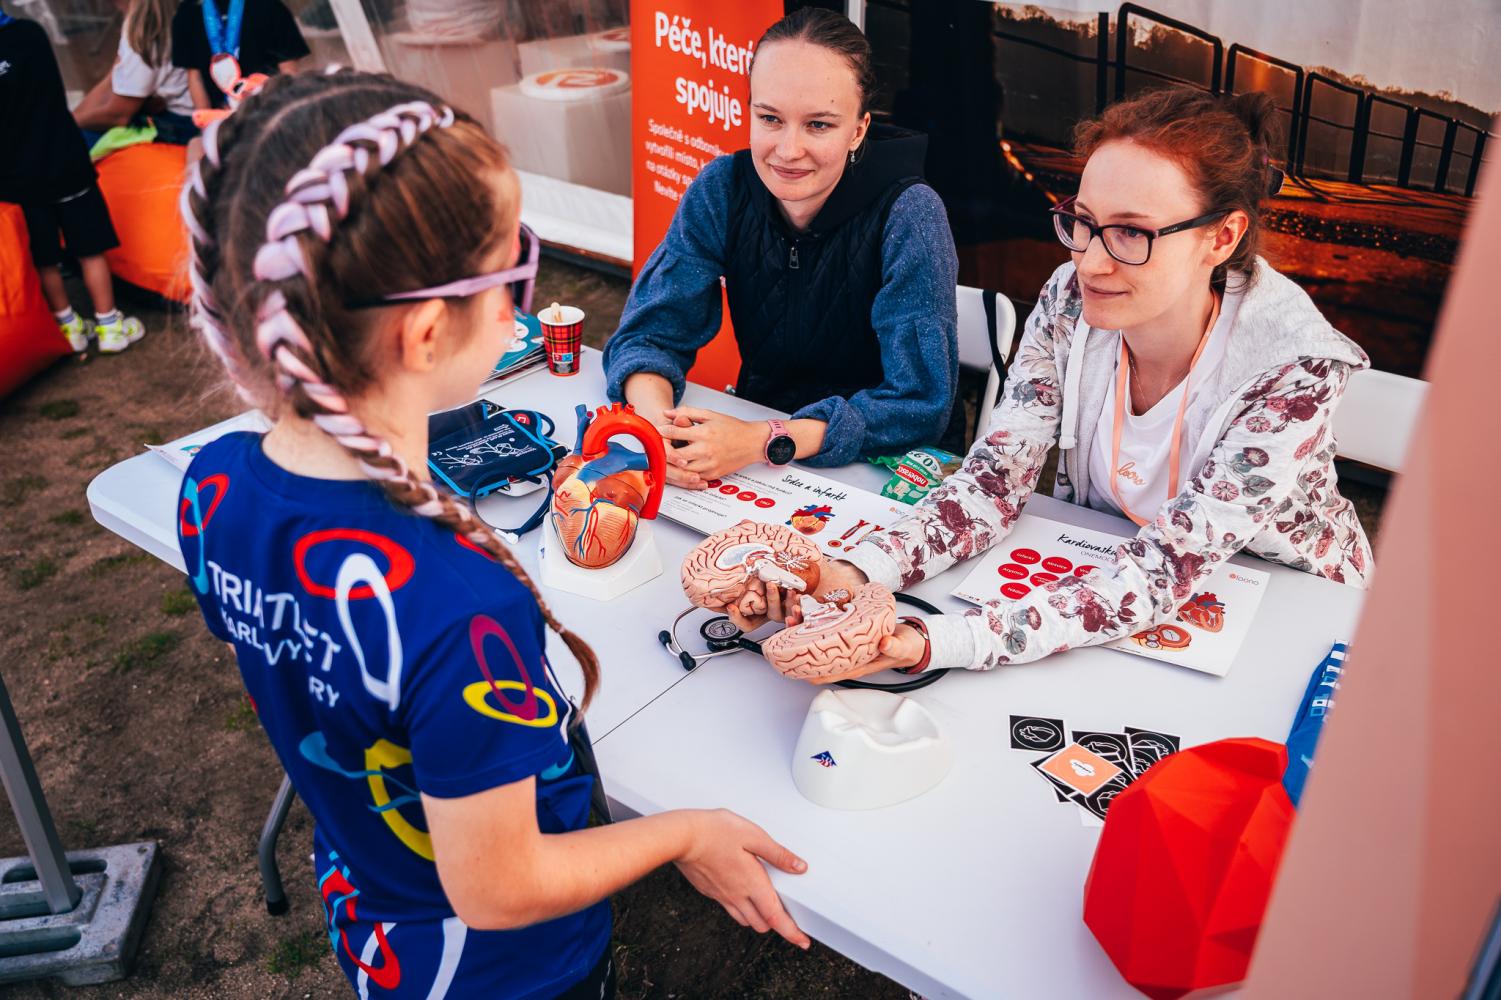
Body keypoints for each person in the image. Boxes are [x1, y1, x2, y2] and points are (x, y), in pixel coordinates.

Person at [174, 70, 810, 998]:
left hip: (372, 918)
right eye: (513, 270)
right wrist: (685, 831)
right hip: (503, 974)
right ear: (428, 331)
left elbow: (298, 672)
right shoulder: (459, 603)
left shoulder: (213, 484)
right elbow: (501, 888)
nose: (522, 304)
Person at [730, 87, 1375, 678]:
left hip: (1293, 620)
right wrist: (849, 571)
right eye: (1083, 222)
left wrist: (934, 642)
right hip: (1116, 572)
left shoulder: (1294, 370)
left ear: (1223, 236)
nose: (1089, 262)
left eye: (1131, 232)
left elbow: (1164, 572)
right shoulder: (1070, 301)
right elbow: (994, 484)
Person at [602, 7, 959, 487]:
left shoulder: (911, 213)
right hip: (753, 452)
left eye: (819, 125)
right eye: (770, 118)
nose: (788, 151)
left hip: (883, 469)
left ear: (858, 130)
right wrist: (659, 434)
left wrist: (764, 439)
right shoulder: (722, 188)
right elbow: (648, 336)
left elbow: (920, 405)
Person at [0, 7, 145, 353]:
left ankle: (69, 327)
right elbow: (52, 94)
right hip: (64, 162)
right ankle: (109, 325)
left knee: (44, 257)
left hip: (17, 178)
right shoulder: (30, 34)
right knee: (90, 248)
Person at [72, 0, 198, 146]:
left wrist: (66, 123)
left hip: (180, 125)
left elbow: (118, 116)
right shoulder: (150, 17)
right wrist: (72, 118)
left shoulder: (146, 29)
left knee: (76, 143)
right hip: (179, 116)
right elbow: (112, 79)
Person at [172, 0, 308, 111]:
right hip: (222, 120)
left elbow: (289, 73)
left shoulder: (270, 5)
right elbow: (195, 76)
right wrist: (207, 123)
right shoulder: (188, 12)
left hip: (268, 113)